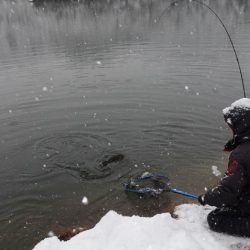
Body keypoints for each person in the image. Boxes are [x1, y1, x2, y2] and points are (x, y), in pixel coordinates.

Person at [198, 98, 250, 237]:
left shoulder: (241, 154)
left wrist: (206, 198)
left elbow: (228, 191)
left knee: (214, 219)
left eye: (232, 126)